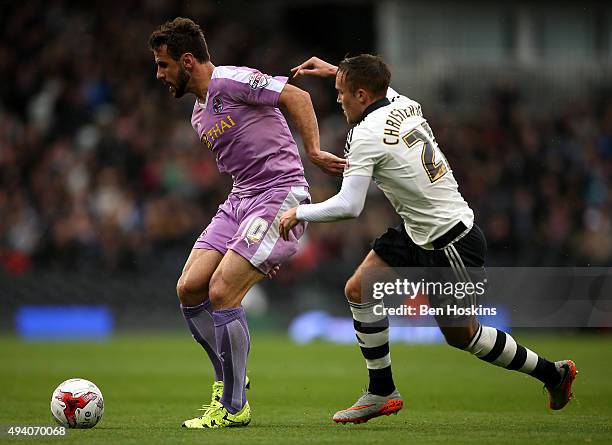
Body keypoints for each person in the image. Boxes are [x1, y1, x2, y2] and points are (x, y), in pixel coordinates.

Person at [279, 55, 577, 424]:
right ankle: (381, 391)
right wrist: (333, 72)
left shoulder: (365, 136)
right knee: (358, 289)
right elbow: (376, 86)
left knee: (464, 336)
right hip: (418, 230)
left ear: (361, 94)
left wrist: (299, 213)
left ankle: (554, 373)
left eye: (342, 93)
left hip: (450, 241)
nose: (338, 99)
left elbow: (350, 205)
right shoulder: (403, 102)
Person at [148, 19, 345, 429]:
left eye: (164, 65)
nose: (159, 75)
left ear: (187, 61)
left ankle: (234, 407)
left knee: (222, 290)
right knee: (189, 289)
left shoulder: (230, 81)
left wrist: (313, 150)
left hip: (279, 192)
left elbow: (297, 95)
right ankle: (229, 376)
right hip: (241, 199)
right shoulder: (199, 115)